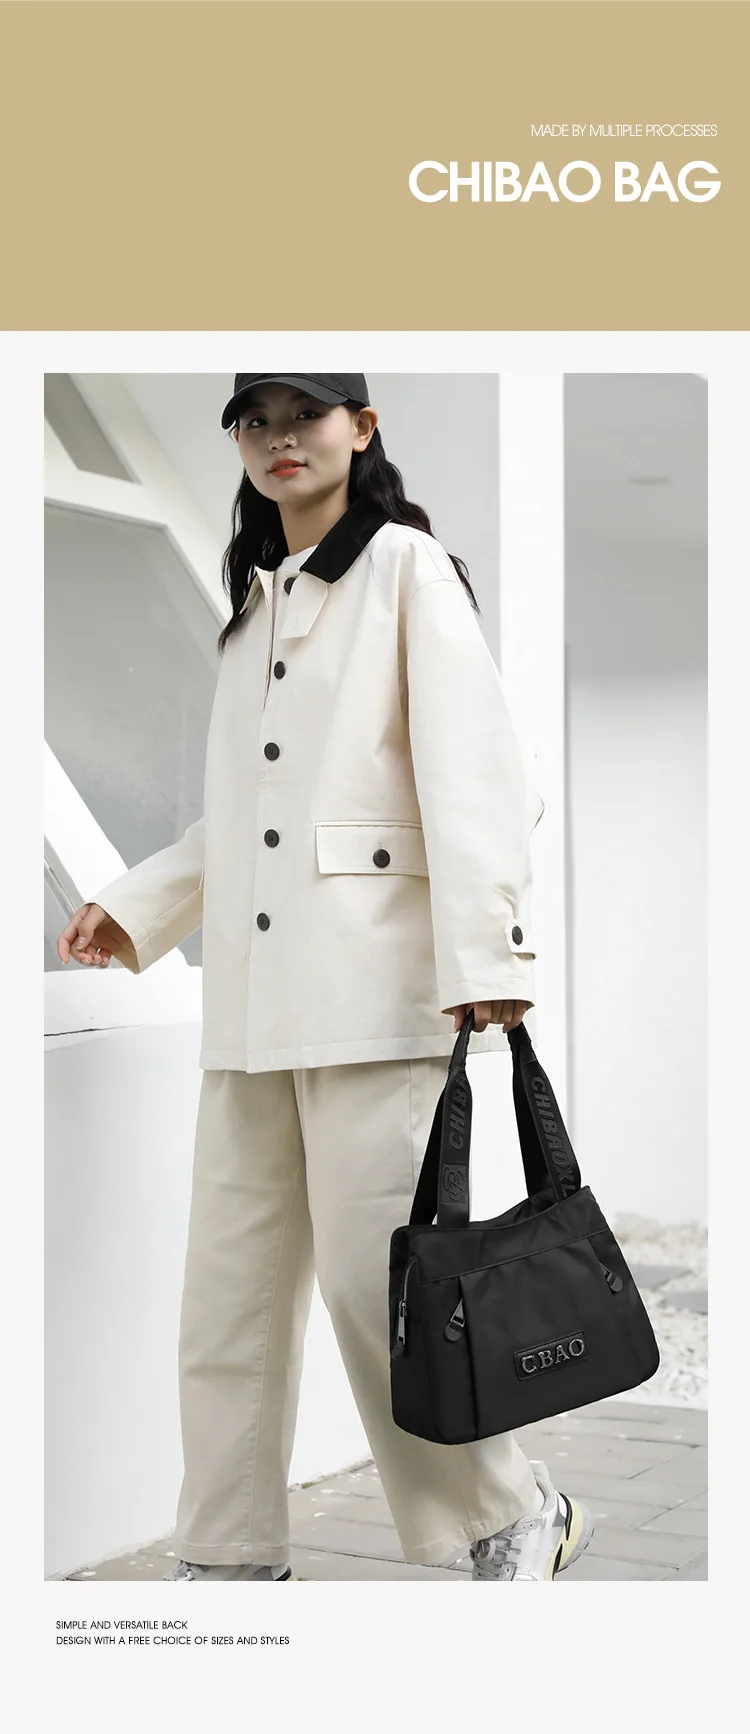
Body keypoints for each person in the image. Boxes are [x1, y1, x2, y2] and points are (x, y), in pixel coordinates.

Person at [57, 372, 594, 1583]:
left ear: (362, 427)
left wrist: (487, 953)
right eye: (255, 421)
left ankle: (513, 1514)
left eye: (305, 415)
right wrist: (138, 905)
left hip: (373, 1002)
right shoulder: (255, 602)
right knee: (228, 1303)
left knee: (380, 1290)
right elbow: (246, 820)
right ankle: (227, 1553)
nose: (280, 439)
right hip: (251, 1014)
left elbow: (488, 778)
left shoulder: (406, 569)